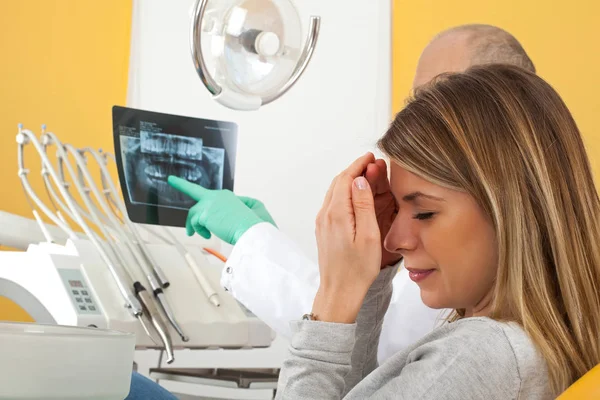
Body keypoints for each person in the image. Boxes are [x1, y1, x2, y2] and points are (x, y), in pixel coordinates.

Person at [169, 23, 538, 364]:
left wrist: (252, 239)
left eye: (424, 212)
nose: (395, 241)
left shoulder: (482, 343)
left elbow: (376, 346)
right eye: (417, 100)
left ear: (500, 109)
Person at [273, 64, 600, 398]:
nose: (393, 240)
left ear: (512, 211)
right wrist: (369, 285)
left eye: (425, 212)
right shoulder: (521, 350)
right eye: (397, 210)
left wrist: (333, 299)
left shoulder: (478, 356)